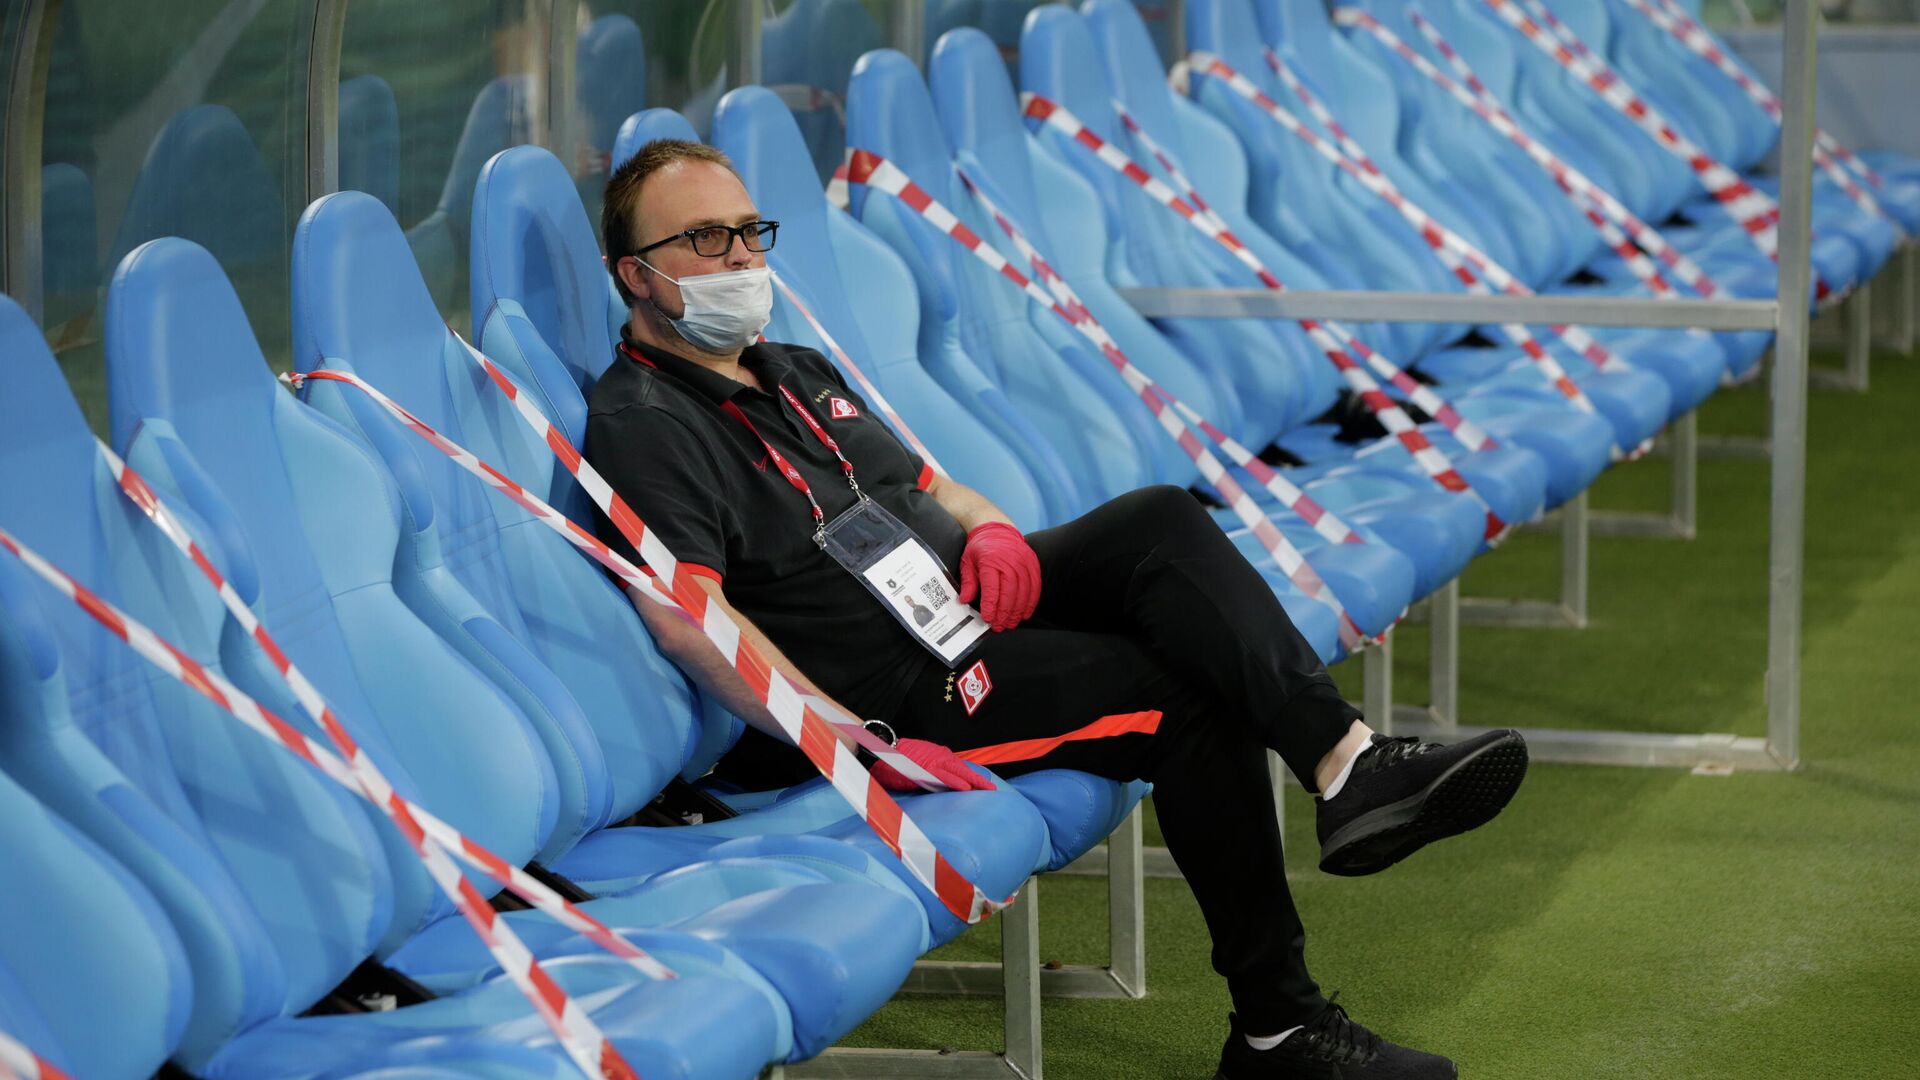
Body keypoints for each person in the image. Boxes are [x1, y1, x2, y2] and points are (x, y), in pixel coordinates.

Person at [585, 138, 1530, 1080]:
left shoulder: (790, 368)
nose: (739, 257)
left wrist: (993, 530)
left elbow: (933, 488)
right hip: (906, 687)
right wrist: (848, 738)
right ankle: (1280, 1032)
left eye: (748, 231)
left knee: (1161, 520)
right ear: (636, 274)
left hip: (960, 606)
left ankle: (1347, 760)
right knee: (1184, 699)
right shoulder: (645, 423)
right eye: (704, 238)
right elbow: (688, 616)